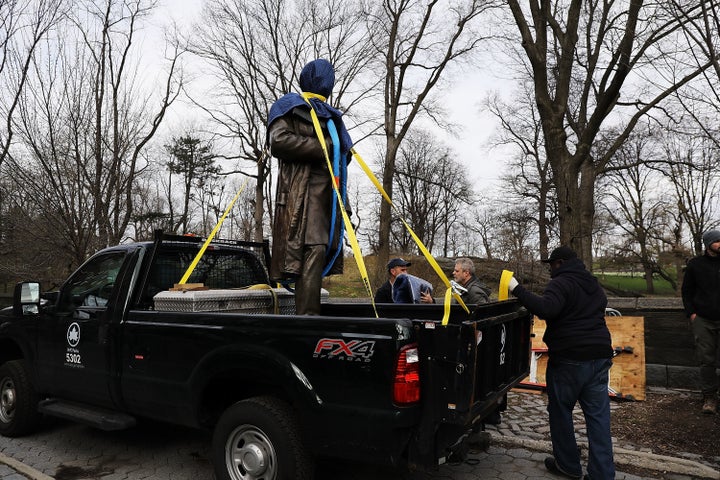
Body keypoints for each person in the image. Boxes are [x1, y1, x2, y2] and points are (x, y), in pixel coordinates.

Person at [507, 246, 614, 480]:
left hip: (570, 358)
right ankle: (602, 474)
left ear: (561, 263)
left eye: (552, 264)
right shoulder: (593, 284)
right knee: (598, 417)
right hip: (600, 355)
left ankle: (568, 465)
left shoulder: (561, 282)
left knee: (560, 411)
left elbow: (547, 309)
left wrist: (517, 289)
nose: (550, 270)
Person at [266, 59, 353, 315]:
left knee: (318, 252)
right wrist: (325, 148)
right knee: (311, 251)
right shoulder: (290, 107)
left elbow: (343, 158)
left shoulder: (333, 119)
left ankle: (308, 316)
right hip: (300, 196)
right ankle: (308, 318)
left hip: (327, 199)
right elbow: (279, 141)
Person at [681, 229, 720, 415]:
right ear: (708, 244)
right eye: (717, 241)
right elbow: (686, 291)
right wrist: (692, 314)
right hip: (703, 319)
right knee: (706, 360)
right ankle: (709, 397)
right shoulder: (696, 265)